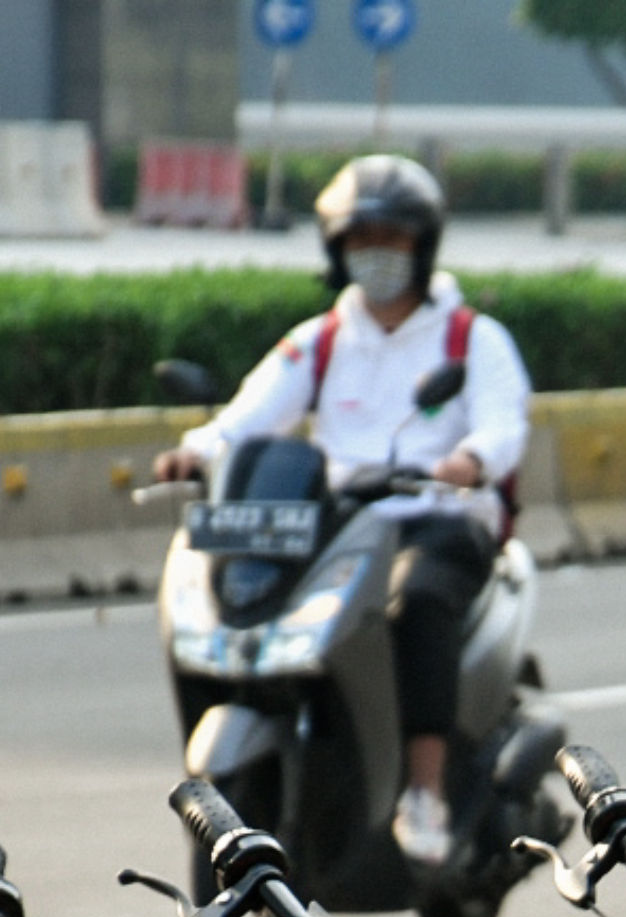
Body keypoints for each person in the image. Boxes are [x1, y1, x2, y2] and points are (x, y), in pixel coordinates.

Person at [152, 155, 531, 873]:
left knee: (413, 602)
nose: (377, 254)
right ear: (336, 249)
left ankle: (424, 791)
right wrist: (195, 453)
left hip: (438, 517)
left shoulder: (471, 339)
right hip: (341, 518)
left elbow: (503, 427)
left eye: (392, 238)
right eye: (361, 239)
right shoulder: (321, 340)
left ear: (423, 245)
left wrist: (469, 462)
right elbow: (248, 415)